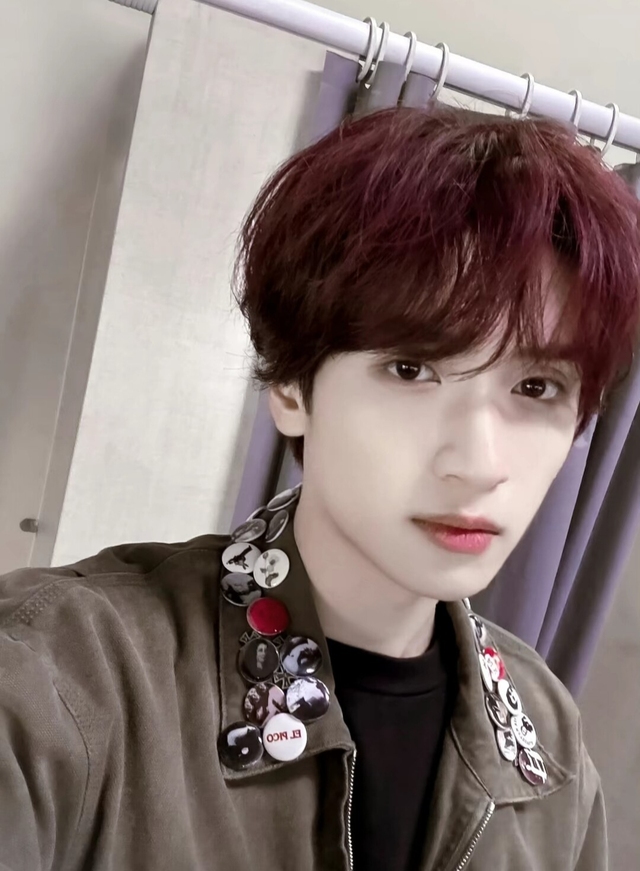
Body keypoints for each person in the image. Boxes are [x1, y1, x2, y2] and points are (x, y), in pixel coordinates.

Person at [1, 104, 639, 871]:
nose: (479, 461)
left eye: (536, 387)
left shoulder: (546, 738)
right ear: (291, 385)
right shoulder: (64, 671)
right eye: (411, 370)